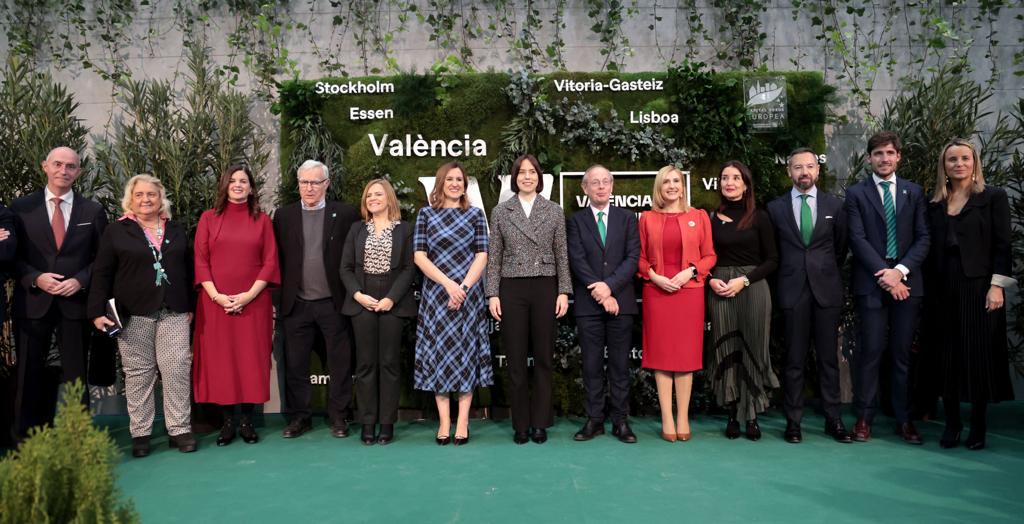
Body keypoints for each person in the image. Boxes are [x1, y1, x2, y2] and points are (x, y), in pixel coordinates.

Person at [88, 174, 196, 457]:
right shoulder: (116, 231)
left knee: (176, 371)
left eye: (151, 194)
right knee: (138, 375)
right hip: (133, 313)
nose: (146, 200)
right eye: (140, 195)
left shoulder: (176, 229)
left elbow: (188, 269)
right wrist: (98, 311)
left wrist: (191, 306)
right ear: (130, 199)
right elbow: (102, 273)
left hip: (173, 311)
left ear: (161, 198)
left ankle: (179, 429)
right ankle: (141, 434)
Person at [924, 138, 1014, 450]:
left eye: (965, 158)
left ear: (974, 163)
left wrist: (997, 286)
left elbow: (1004, 245)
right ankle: (952, 424)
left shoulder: (993, 197)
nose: (959, 164)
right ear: (944, 167)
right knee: (946, 356)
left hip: (979, 288)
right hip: (941, 288)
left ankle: (978, 426)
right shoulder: (934, 202)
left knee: (978, 356)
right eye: (952, 160)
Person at [11, 147, 107, 438]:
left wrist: (80, 280)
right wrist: (35, 278)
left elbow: (102, 259)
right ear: (45, 166)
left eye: (71, 166)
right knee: (28, 374)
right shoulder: (21, 209)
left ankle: (78, 439)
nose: (63, 171)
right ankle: (25, 441)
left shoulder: (92, 210)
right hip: (32, 303)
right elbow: (10, 256)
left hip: (75, 305)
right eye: (57, 164)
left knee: (76, 376)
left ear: (78, 172)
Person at [846, 131, 930, 445]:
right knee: (870, 352)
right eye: (878, 153)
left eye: (890, 153)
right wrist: (886, 274)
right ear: (869, 158)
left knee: (901, 354)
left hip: (908, 284)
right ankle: (865, 417)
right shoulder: (856, 193)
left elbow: (924, 237)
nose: (884, 159)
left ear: (899, 157)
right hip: (872, 283)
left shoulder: (914, 192)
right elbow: (857, 239)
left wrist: (900, 272)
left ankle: (904, 419)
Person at [767, 148, 852, 444]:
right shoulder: (775, 208)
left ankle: (834, 419)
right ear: (789, 171)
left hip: (826, 291)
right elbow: (773, 252)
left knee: (829, 359)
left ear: (818, 171)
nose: (804, 172)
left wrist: (823, 271)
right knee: (793, 360)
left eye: (810, 166)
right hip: (792, 292)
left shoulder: (836, 206)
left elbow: (840, 248)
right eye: (798, 167)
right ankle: (793, 422)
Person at [486, 154, 571, 445]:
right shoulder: (500, 212)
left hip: (546, 286)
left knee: (545, 360)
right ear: (514, 177)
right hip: (511, 288)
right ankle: (520, 424)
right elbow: (494, 256)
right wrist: (492, 293)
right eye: (521, 172)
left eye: (532, 172)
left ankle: (540, 422)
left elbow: (562, 254)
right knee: (516, 360)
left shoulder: (555, 211)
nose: (526, 177)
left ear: (540, 177)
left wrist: (563, 291)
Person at [192, 165, 280, 446]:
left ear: (252, 188)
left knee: (250, 361)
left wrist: (247, 296)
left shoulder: (262, 220)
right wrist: (218, 296)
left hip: (254, 304)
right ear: (224, 185)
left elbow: (270, 262)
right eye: (233, 180)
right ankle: (228, 422)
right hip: (215, 305)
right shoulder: (208, 218)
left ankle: (247, 421)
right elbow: (201, 261)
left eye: (244, 181)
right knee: (223, 362)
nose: (238, 184)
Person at [273, 160, 361, 439]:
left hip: (333, 303)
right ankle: (300, 417)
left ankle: (339, 417)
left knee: (339, 363)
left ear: (327, 184)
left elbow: (353, 259)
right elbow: (277, 261)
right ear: (298, 184)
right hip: (296, 304)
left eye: (315, 182)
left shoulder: (345, 214)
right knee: (296, 364)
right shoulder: (283, 216)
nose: (309, 188)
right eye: (304, 182)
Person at [412, 162, 493, 446]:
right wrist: (448, 285)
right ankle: (444, 421)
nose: (455, 183)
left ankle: (463, 420)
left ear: (465, 184)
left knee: (465, 354)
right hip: (436, 297)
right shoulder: (426, 215)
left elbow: (482, 255)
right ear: (440, 183)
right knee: (439, 355)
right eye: (450, 179)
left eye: (460, 179)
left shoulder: (475, 215)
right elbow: (420, 256)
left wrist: (464, 287)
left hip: (468, 296)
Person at [638, 165, 716, 442]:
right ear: (659, 188)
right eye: (666, 182)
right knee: (662, 359)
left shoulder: (699, 216)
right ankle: (667, 419)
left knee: (685, 359)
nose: (671, 186)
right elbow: (641, 258)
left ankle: (683, 417)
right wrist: (655, 277)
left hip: (690, 292)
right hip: (657, 293)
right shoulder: (647, 218)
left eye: (676, 181)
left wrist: (691, 271)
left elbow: (709, 256)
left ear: (683, 186)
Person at [566, 165, 640, 444]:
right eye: (594, 183)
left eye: (605, 182)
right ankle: (595, 420)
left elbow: (633, 257)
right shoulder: (575, 221)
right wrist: (600, 292)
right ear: (584, 189)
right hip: (589, 304)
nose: (600, 187)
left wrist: (610, 287)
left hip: (621, 303)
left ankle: (621, 421)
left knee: (620, 365)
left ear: (612, 187)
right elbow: (577, 259)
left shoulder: (627, 218)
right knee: (592, 365)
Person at [341, 178, 417, 445]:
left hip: (392, 303)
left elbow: (409, 269)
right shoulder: (356, 229)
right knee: (365, 365)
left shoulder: (405, 230)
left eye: (378, 194)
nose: (373, 198)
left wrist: (391, 299)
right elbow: (346, 268)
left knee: (389, 364)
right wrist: (358, 295)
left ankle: (387, 423)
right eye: (369, 195)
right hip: (361, 300)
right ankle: (367, 422)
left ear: (389, 199)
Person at [706, 160, 778, 441]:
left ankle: (752, 415)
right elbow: (704, 256)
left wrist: (744, 280)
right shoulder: (711, 218)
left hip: (753, 288)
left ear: (746, 184)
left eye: (736, 178)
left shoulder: (760, 217)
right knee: (726, 349)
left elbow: (773, 260)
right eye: (725, 177)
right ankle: (732, 413)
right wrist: (711, 278)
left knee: (753, 348)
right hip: (720, 289)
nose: (729, 182)